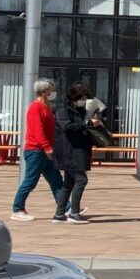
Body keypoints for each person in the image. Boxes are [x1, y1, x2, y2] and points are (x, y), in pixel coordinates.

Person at [10, 78, 66, 221]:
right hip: (36, 151)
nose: (53, 91)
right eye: (51, 89)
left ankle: (66, 207)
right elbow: (37, 130)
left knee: (56, 180)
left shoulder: (46, 106)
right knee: (30, 181)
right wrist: (47, 147)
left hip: (45, 150)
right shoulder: (36, 107)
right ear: (44, 91)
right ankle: (17, 209)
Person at [51, 82, 101, 223]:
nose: (83, 101)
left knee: (69, 183)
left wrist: (95, 116)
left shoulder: (82, 111)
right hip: (70, 151)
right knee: (81, 180)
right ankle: (73, 213)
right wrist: (87, 124)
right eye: (82, 98)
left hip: (79, 150)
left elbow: (84, 125)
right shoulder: (63, 111)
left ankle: (59, 214)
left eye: (85, 98)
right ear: (74, 97)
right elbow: (68, 127)